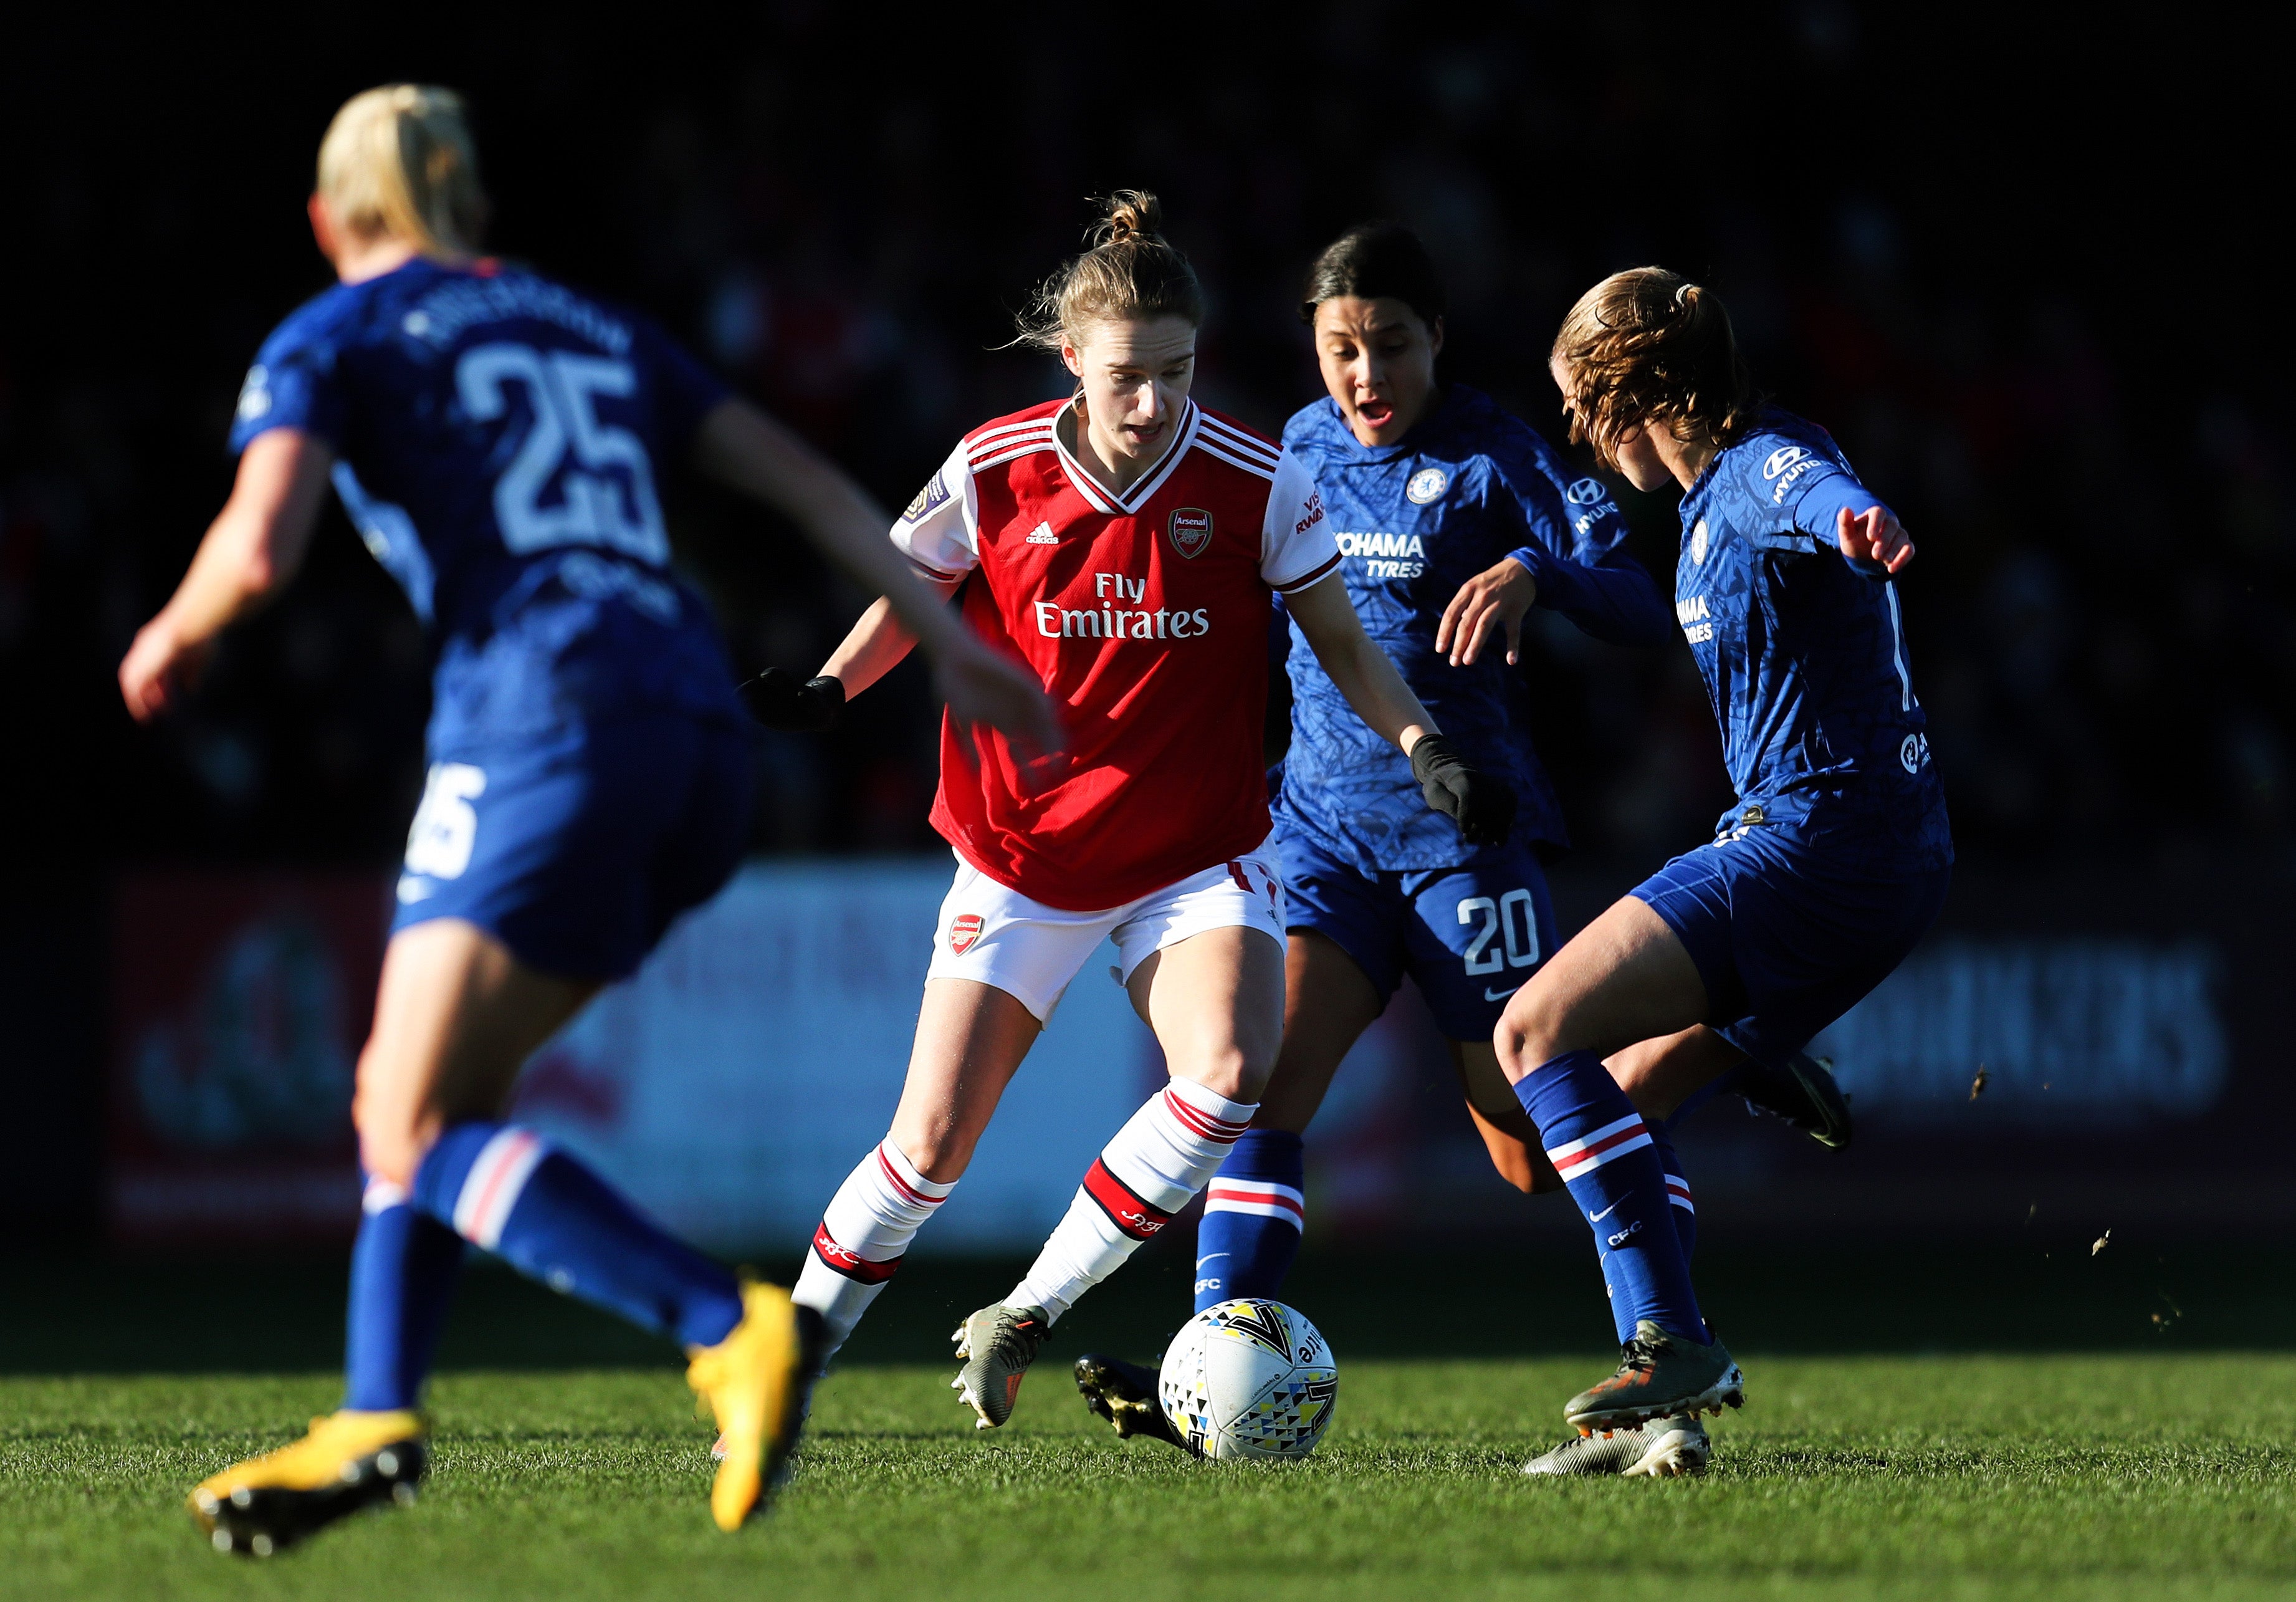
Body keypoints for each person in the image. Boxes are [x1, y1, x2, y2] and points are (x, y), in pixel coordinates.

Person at [117, 84, 1055, 1555]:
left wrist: (172, 632)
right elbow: (804, 478)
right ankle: (377, 1411)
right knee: (428, 1103)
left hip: (548, 712)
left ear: (329, 219)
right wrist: (944, 648)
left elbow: (261, 537)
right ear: (475, 207)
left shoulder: (334, 332)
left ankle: (725, 1324)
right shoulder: (588, 324)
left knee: (402, 1111)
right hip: (696, 730)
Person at [1069, 224, 1852, 1470]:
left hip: (1463, 846)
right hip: (1320, 835)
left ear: (1436, 338)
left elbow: (1644, 600)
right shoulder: (1305, 446)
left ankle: (1712, 1049)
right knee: (1260, 1093)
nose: (1363, 376)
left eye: (1388, 345)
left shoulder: (1500, 457)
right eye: (1339, 350)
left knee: (1535, 1159)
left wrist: (1541, 573)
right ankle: (1212, 1367)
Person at [747, 193, 1508, 1430]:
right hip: (1023, 848)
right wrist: (834, 684)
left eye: (1176, 372)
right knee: (928, 1149)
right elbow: (908, 589)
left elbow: (1347, 645)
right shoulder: (995, 468)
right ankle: (783, 1364)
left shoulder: (1261, 479)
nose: (1154, 403)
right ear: (1072, 363)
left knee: (1228, 1073)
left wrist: (1424, 744)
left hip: (1195, 851)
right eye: (1126, 379)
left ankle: (1025, 1314)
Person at [1490, 267, 1948, 1477]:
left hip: (1813, 844)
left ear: (1624, 394)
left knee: (1533, 1035)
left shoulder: (1756, 471)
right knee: (1598, 1129)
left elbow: (1817, 497)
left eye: (1579, 409)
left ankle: (1668, 1345)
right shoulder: (1712, 501)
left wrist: (1863, 518)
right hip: (1888, 862)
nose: (1578, 438)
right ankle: (1663, 1422)